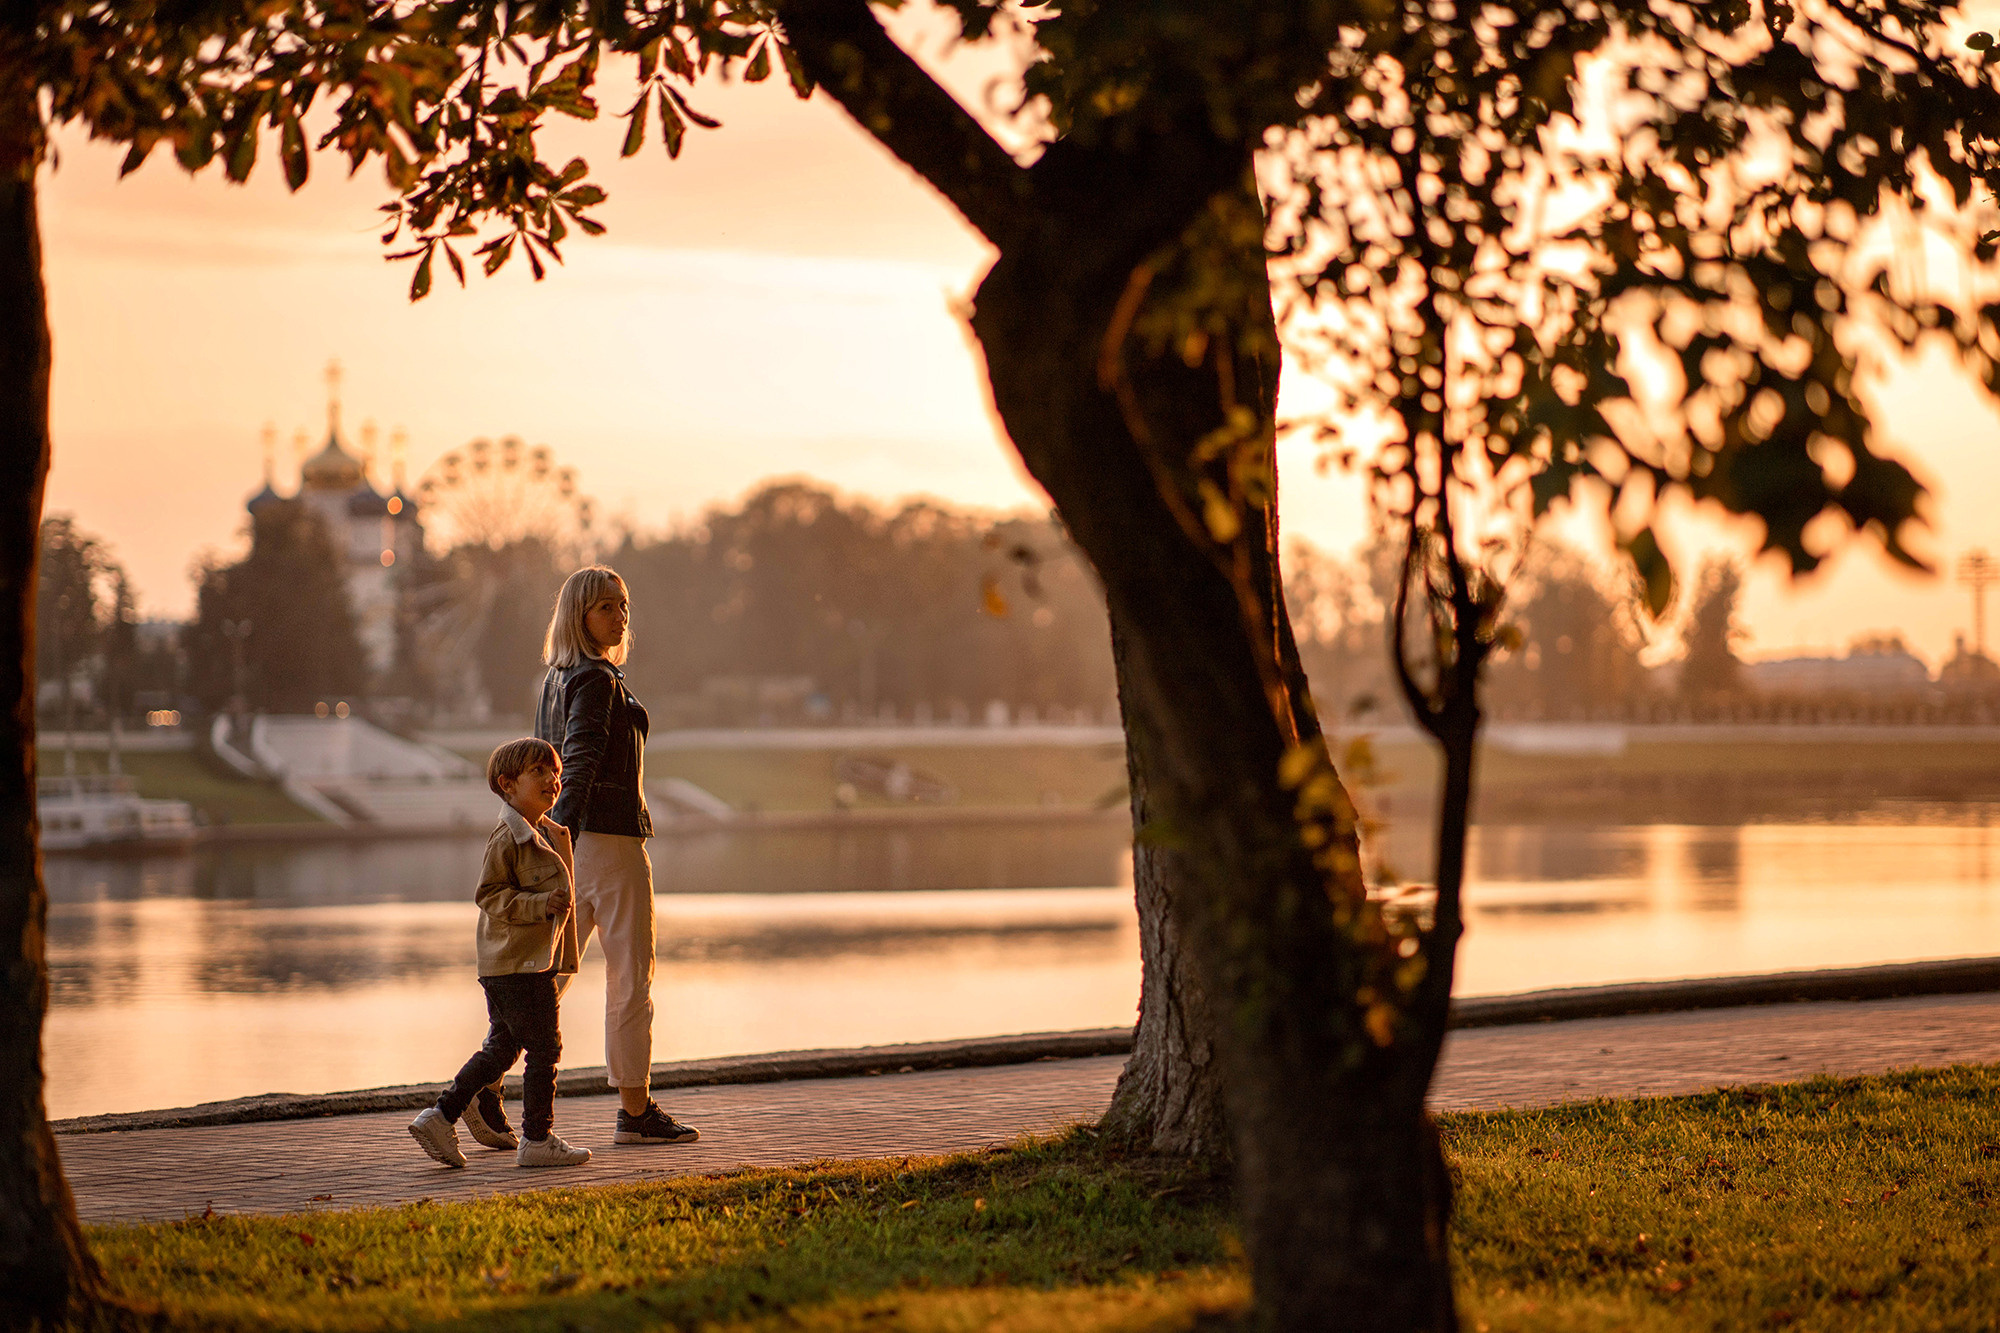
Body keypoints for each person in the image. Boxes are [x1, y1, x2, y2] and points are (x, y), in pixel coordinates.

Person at [536, 565, 699, 1145]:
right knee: (630, 979)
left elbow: (547, 761)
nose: (619, 616)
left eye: (623, 605)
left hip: (568, 840)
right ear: (577, 615)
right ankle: (635, 1112)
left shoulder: (554, 680)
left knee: (543, 977)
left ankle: (483, 1086)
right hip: (606, 843)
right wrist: (564, 834)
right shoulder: (598, 679)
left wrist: (549, 837)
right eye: (605, 606)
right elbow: (578, 760)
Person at [408, 738, 592, 1169]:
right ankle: (537, 1138)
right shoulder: (508, 837)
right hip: (516, 964)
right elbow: (489, 895)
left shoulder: (547, 832)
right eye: (538, 772)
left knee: (503, 1049)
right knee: (545, 1049)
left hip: (525, 962)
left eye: (556, 772)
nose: (553, 780)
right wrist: (539, 905)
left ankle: (441, 1116)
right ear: (507, 784)